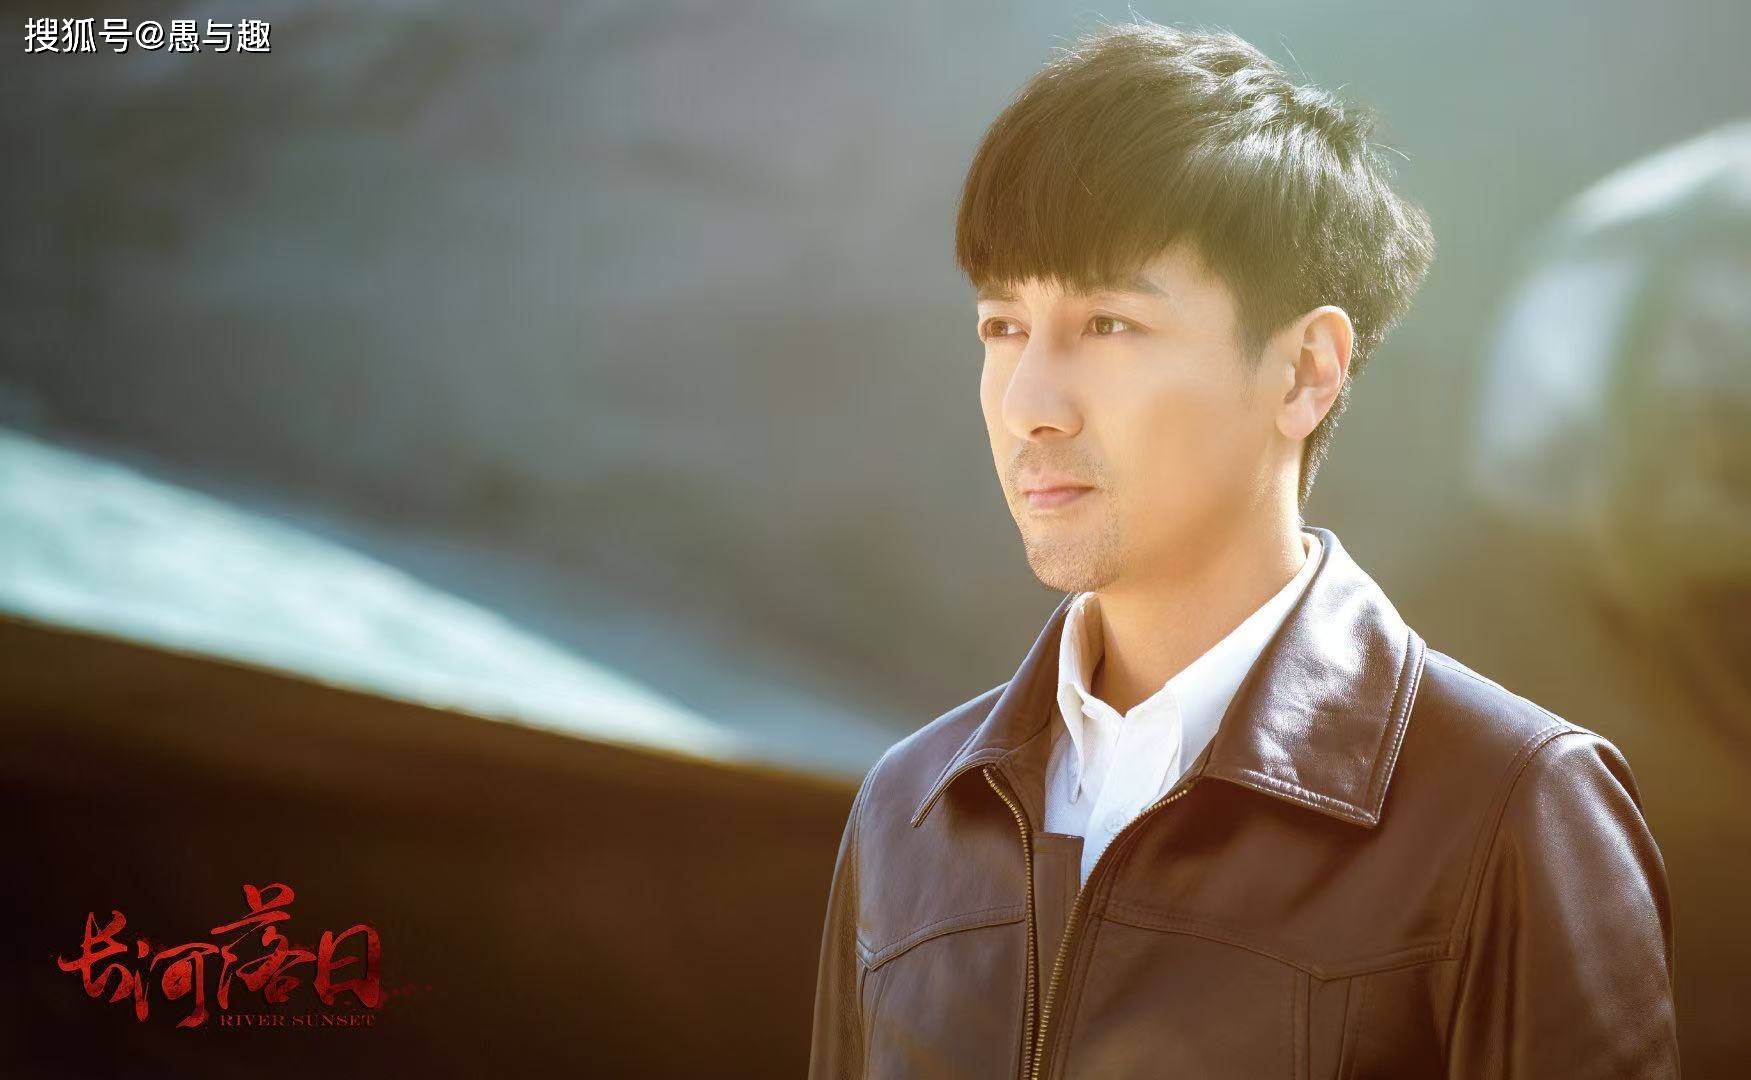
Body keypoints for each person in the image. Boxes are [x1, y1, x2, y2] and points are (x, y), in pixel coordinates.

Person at [807, 18, 1679, 1080]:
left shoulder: (1509, 806)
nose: (1029, 402)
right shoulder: (907, 812)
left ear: (1306, 370)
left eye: (1107, 324)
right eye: (1002, 327)